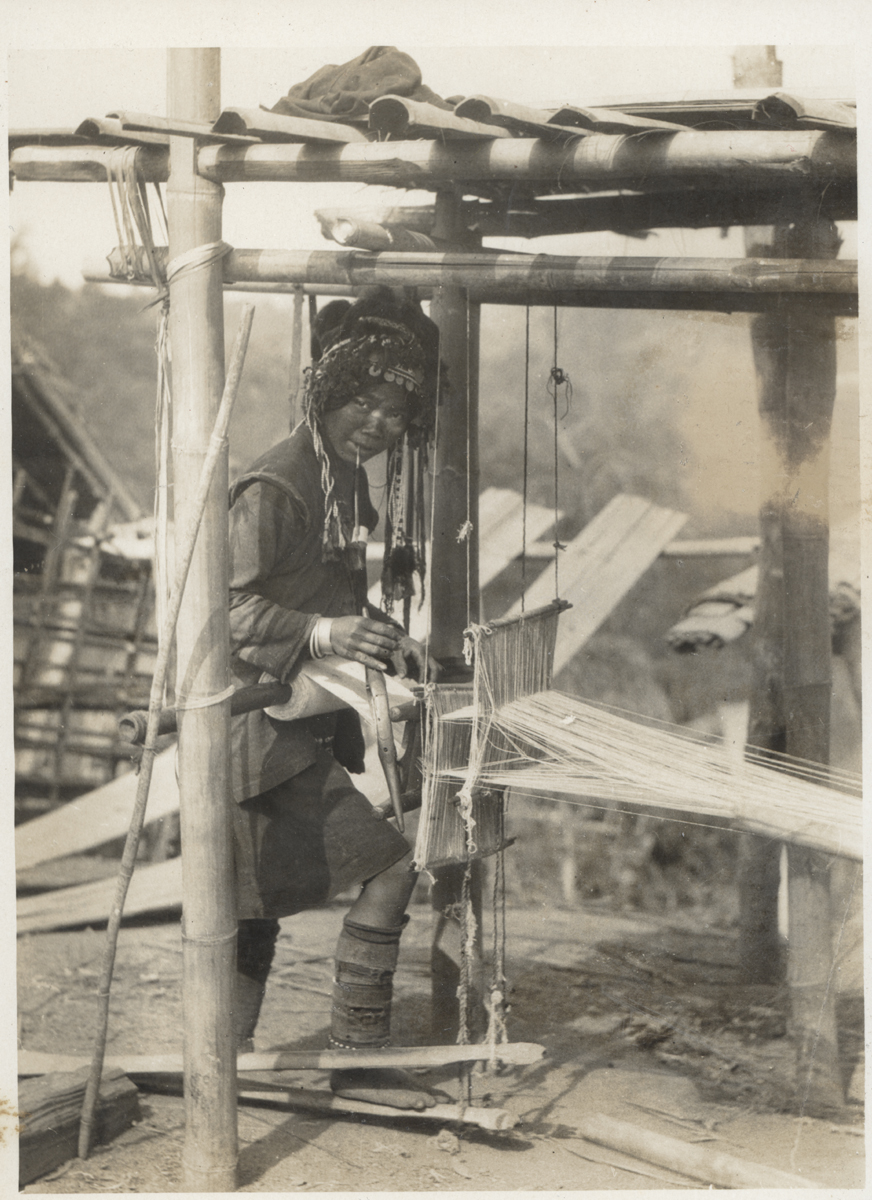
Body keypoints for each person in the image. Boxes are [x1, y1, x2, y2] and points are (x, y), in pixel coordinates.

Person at [226, 289, 441, 1110]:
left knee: (252, 907)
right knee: (384, 869)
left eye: (394, 411)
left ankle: (229, 1060)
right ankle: (352, 1061)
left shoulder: (343, 480)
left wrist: (385, 633)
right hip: (249, 730)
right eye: (363, 401)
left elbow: (333, 593)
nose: (378, 423)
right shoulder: (276, 486)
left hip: (290, 726)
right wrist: (323, 636)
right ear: (327, 393)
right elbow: (224, 608)